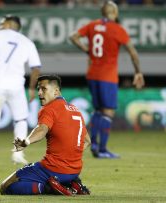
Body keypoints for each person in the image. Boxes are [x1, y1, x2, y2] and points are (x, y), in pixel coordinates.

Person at [70, 1, 145, 159]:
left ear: (103, 12)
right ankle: (102, 149)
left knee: (98, 110)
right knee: (108, 111)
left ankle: (95, 146)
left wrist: (87, 51)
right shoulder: (117, 29)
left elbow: (73, 37)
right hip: (107, 76)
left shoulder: (92, 25)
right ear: (115, 13)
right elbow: (133, 53)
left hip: (92, 75)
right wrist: (138, 72)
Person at [0, 75, 91, 195]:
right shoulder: (76, 110)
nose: (39, 93)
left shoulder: (49, 109)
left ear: (56, 91)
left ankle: (48, 188)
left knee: (6, 186)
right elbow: (88, 141)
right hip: (74, 171)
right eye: (38, 89)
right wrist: (71, 157)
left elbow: (42, 130)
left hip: (52, 169)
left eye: (44, 89)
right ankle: (72, 184)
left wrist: (26, 142)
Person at [0, 15, 41, 166]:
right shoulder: (26, 41)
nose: (1, 25)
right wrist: (31, 88)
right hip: (16, 87)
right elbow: (36, 67)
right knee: (21, 120)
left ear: (11, 23)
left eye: (3, 22)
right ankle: (18, 153)